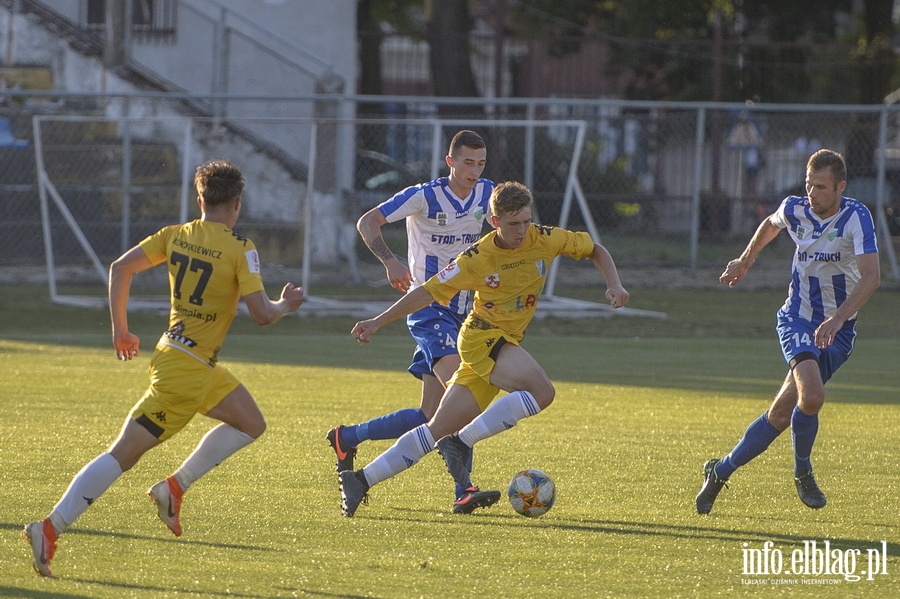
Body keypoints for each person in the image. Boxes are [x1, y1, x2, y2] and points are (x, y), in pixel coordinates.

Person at [22, 160, 305, 576]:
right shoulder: (241, 248)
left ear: (200, 199)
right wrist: (286, 304)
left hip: (184, 357)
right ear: (237, 205)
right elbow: (262, 314)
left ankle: (173, 488)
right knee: (123, 454)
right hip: (185, 376)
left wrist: (120, 330)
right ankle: (49, 526)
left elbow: (121, 268)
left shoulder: (176, 235)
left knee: (251, 423)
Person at [339, 180, 629, 517]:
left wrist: (614, 284)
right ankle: (460, 443)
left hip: (501, 341)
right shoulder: (478, 257)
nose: (522, 231)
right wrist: (377, 321)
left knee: (435, 428)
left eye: (526, 221)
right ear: (495, 222)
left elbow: (596, 249)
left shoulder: (545, 238)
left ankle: (360, 479)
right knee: (542, 391)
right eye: (512, 224)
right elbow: (427, 292)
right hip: (482, 337)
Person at [695, 149, 880, 515]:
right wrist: (744, 261)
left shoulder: (856, 217)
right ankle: (803, 472)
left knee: (781, 415)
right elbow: (771, 224)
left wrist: (839, 318)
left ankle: (720, 470)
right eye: (809, 184)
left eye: (822, 187)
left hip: (838, 330)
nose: (813, 193)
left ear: (840, 187)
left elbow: (872, 278)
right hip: (797, 318)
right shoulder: (796, 208)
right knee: (811, 397)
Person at [327, 130, 495, 513]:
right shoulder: (424, 195)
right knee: (463, 395)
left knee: (431, 414)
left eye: (481, 163)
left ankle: (347, 436)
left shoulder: (489, 193)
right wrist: (390, 260)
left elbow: (512, 225)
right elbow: (368, 222)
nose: (475, 170)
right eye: (468, 162)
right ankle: (463, 489)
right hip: (427, 306)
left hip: (468, 310)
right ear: (450, 161)